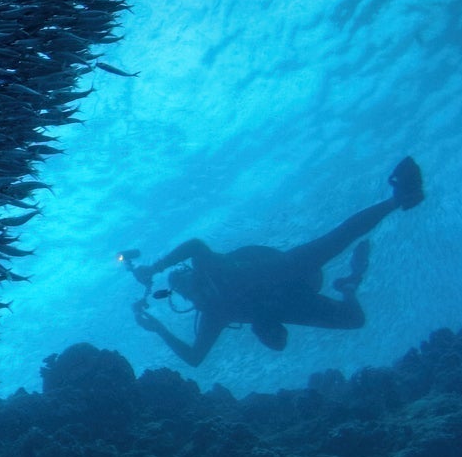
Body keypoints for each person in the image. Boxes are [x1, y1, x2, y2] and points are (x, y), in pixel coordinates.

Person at [126, 157, 423, 367]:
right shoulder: (212, 314)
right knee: (353, 319)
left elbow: (194, 245)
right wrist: (159, 329)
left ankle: (398, 199)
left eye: (182, 277)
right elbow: (195, 359)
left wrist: (154, 267)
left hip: (279, 270)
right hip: (286, 301)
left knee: (335, 240)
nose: (185, 285)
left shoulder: (209, 273)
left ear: (189, 273)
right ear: (184, 298)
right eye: (181, 288)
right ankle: (349, 286)